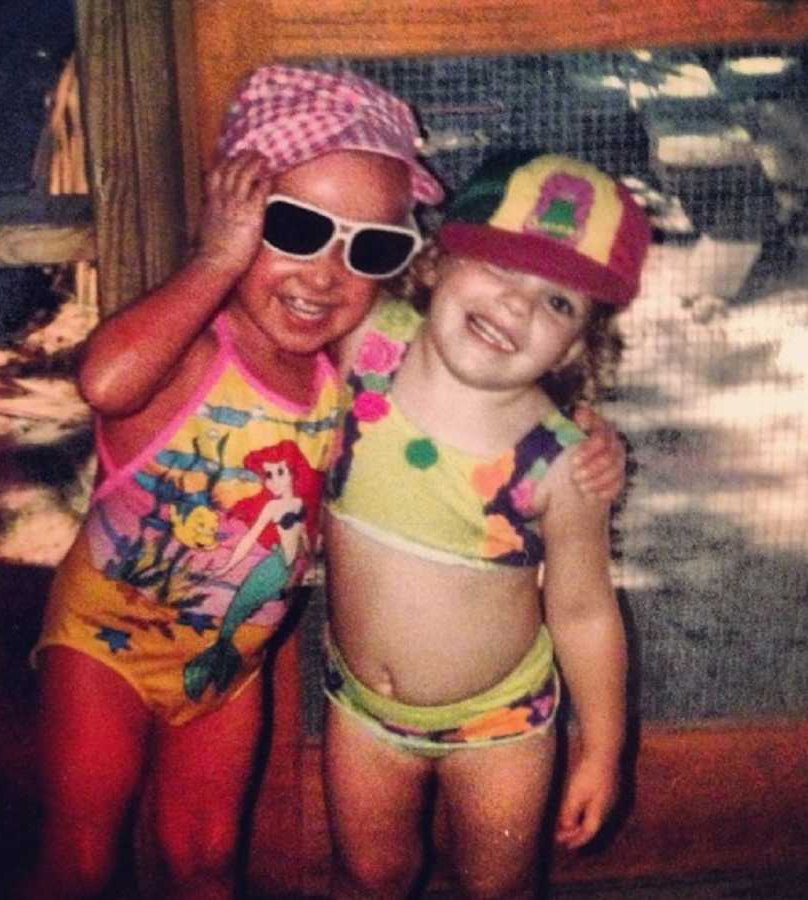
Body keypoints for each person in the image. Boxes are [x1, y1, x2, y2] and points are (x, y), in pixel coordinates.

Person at [24, 61, 626, 898]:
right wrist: (214, 258)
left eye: (370, 248)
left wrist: (587, 428)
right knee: (79, 855)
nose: (325, 275)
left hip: (233, 670)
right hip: (109, 643)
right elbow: (105, 382)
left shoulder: (354, 362)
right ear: (233, 210)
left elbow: (483, 361)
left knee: (205, 856)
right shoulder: (210, 348)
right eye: (297, 229)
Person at [323, 150, 651, 898]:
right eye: (501, 265)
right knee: (368, 877)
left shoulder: (561, 464)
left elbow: (583, 611)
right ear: (436, 261)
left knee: (497, 887)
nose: (517, 306)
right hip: (362, 711)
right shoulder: (364, 345)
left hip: (499, 724)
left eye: (559, 303)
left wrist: (604, 750)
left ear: (578, 345)